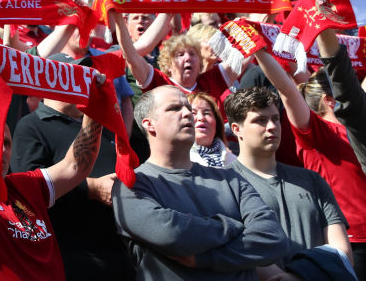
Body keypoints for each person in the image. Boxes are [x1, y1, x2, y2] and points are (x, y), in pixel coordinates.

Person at [0, 46, 105, 281]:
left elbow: (77, 166)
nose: (1, 150)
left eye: (7, 143)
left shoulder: (27, 186)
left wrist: (96, 107)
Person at [112, 85, 288, 280]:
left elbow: (273, 238)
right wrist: (235, 227)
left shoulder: (230, 179)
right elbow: (171, 233)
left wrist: (208, 258)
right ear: (149, 124)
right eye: (174, 108)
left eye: (188, 107)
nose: (188, 113)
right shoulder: (132, 185)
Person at [249, 25, 366, 279]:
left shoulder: (360, 127)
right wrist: (258, 50)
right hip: (350, 242)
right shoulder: (317, 133)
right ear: (328, 100)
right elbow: (289, 92)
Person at [11, 52, 134, 280]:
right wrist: (90, 188)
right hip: (71, 256)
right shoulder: (31, 126)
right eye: (74, 74)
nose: (83, 81)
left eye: (84, 74)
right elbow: (26, 188)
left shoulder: (102, 125)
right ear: (50, 82)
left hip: (120, 253)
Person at [224, 86, 354, 278]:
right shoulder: (223, 184)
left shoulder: (311, 180)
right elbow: (238, 250)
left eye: (275, 119)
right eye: (260, 120)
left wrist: (300, 276)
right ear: (237, 129)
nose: (271, 126)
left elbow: (342, 252)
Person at [187, 91, 236, 168]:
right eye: (193, 113)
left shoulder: (234, 162)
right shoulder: (177, 160)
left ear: (217, 123)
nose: (201, 118)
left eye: (207, 113)